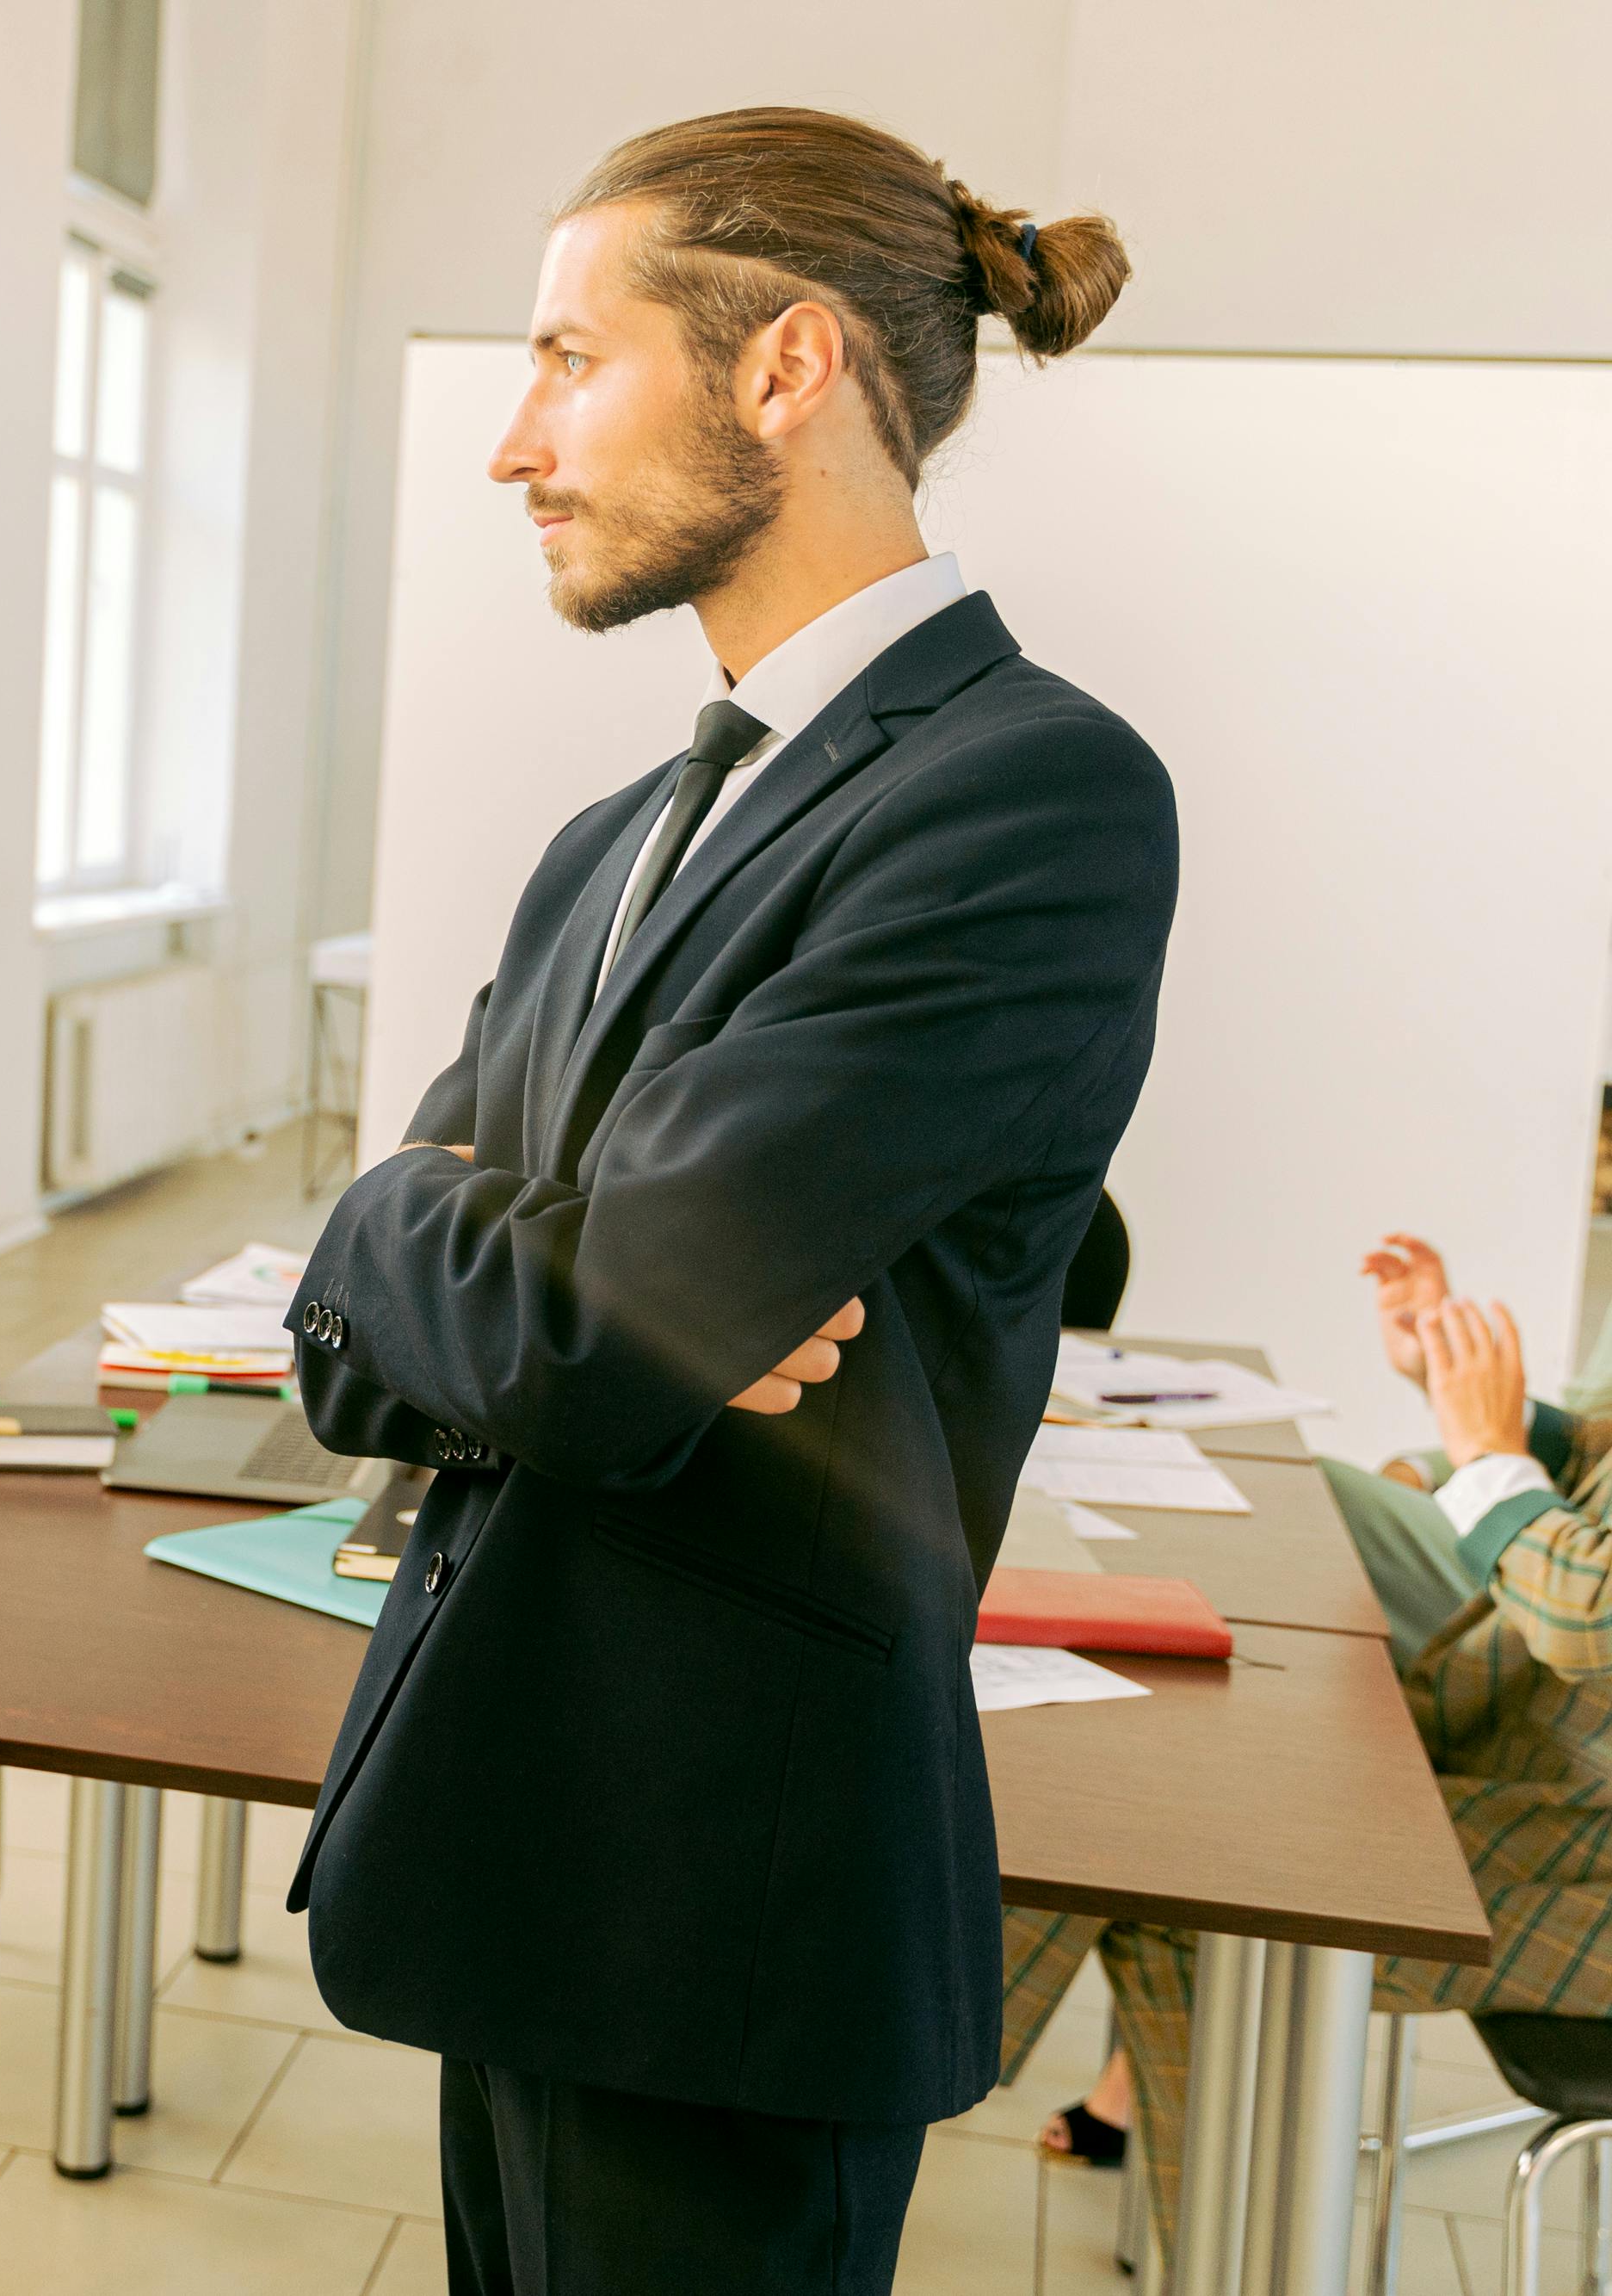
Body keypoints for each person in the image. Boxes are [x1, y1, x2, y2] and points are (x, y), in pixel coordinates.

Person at [281, 108, 1165, 2293]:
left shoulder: (1028, 791)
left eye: (567, 360)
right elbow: (368, 1357)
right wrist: (423, 1232)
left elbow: (590, 1342)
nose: (513, 444)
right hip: (507, 1840)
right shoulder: (613, 835)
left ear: (784, 365)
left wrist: (431, 1231)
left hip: (723, 1907)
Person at [1010, 1235, 1612, 2243]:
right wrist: (1474, 1392)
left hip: (1584, 1834)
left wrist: (1487, 1455)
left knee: (1209, 1901)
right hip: (1558, 1779)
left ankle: (871, 2083)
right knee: (1166, 1818)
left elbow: (1590, 1618)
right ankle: (877, 2080)